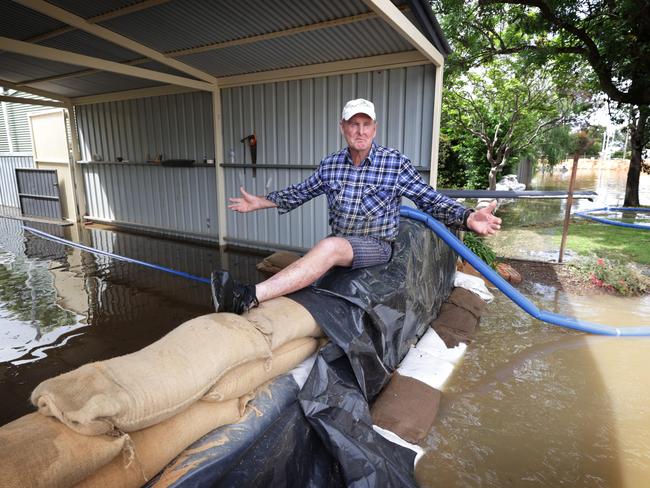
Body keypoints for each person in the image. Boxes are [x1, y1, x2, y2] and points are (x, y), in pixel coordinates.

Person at [212, 98, 501, 314]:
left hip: (375, 244)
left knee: (329, 247)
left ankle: (247, 296)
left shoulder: (395, 163)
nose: (360, 131)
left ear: (375, 129)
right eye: (353, 124)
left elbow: (429, 198)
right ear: (343, 128)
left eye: (366, 125)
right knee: (328, 249)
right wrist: (261, 201)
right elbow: (300, 192)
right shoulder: (331, 164)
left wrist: (466, 217)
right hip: (342, 243)